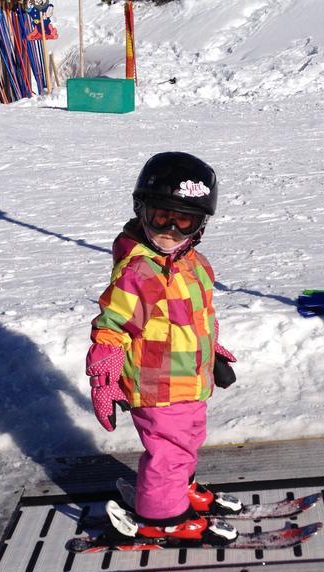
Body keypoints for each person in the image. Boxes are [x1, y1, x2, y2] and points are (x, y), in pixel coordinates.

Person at [85, 152, 239, 542]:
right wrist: (105, 379)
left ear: (200, 225)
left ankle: (174, 488)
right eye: (160, 217)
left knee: (188, 441)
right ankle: (163, 516)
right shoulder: (139, 272)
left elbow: (197, 314)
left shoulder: (194, 263)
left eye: (183, 220)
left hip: (191, 379)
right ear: (142, 211)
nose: (170, 229)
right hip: (157, 385)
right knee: (168, 451)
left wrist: (212, 349)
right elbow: (112, 325)